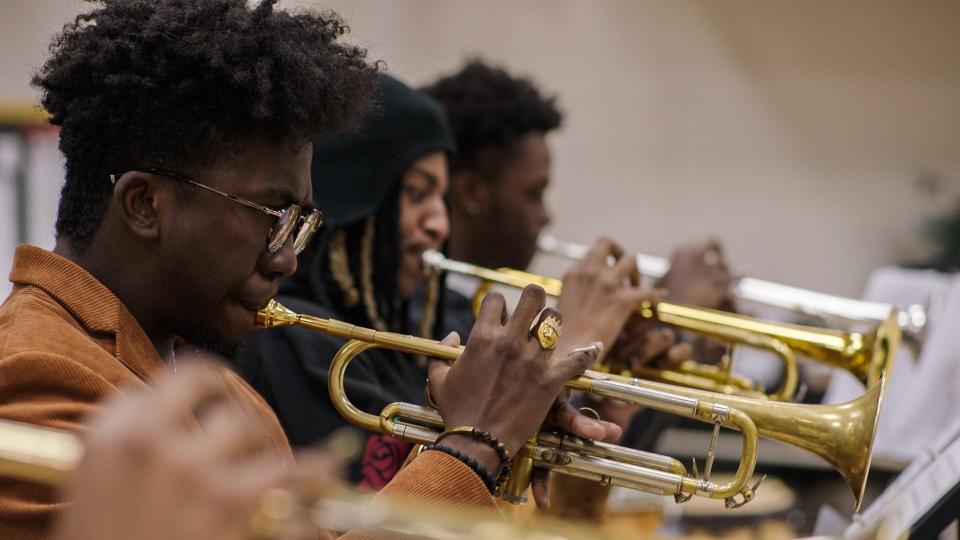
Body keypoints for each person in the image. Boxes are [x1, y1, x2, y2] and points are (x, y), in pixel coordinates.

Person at [0, 1, 614, 537]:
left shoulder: (223, 388)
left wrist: (508, 441)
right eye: (273, 215)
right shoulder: (36, 373)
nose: (287, 256)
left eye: (300, 224)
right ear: (145, 204)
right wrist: (473, 446)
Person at [236, 73, 655, 500]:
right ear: (356, 197)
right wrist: (573, 343)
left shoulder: (448, 317)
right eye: (417, 194)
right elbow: (386, 514)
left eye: (440, 198)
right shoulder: (294, 339)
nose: (440, 223)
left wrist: (599, 402)